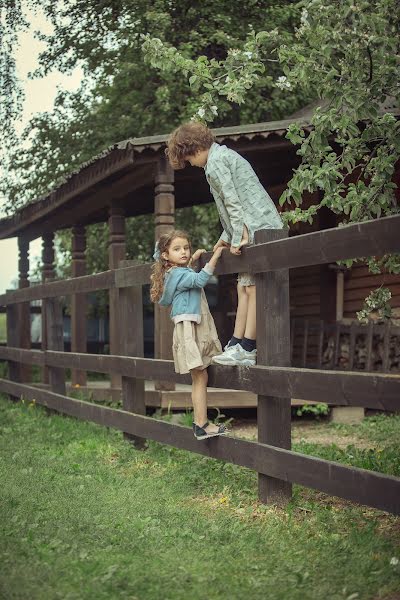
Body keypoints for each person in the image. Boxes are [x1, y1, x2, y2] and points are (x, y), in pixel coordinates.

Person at [165, 121, 284, 366]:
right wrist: (226, 237)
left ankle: (248, 347)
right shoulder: (220, 158)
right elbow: (231, 207)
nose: (190, 164)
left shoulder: (216, 162)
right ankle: (237, 342)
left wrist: (239, 234)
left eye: (188, 159)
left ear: (195, 149)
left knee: (251, 287)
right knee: (243, 286)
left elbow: (233, 201)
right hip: (252, 225)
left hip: (258, 227)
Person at [150, 229, 228, 440]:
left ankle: (200, 423)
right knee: (200, 375)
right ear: (166, 255)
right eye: (177, 249)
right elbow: (199, 280)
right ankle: (201, 424)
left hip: (186, 326)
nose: (183, 252)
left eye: (186, 248)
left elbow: (187, 277)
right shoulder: (179, 274)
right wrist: (216, 256)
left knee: (199, 376)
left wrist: (192, 259)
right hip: (189, 328)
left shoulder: (173, 273)